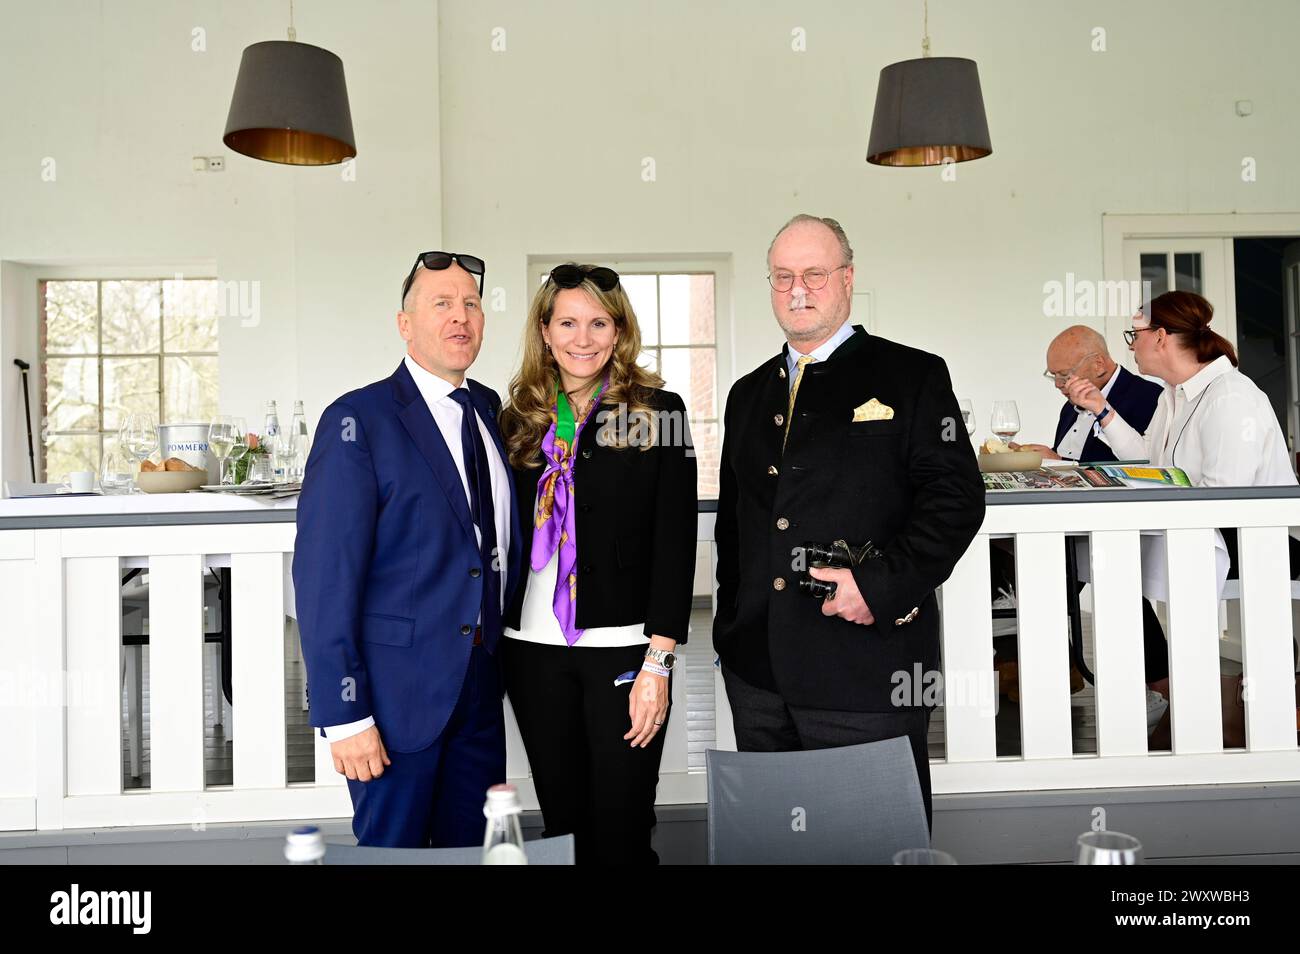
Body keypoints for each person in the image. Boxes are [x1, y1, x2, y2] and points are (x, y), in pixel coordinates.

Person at [713, 214, 985, 829]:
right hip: (759, 677)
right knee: (778, 849)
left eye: (814, 273)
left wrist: (881, 587)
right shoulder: (747, 394)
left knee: (877, 843)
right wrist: (732, 630)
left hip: (868, 670)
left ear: (848, 277)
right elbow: (735, 524)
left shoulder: (913, 375)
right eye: (782, 276)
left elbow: (956, 499)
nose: (797, 290)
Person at [293, 250, 520, 847]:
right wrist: (345, 716)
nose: (460, 317)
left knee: (472, 853)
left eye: (470, 304)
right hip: (395, 704)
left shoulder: (488, 409)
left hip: (478, 689)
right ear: (405, 324)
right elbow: (324, 579)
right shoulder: (357, 420)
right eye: (441, 303)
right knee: (394, 857)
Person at [498, 263, 697, 865]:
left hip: (624, 647)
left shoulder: (659, 412)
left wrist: (658, 663)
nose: (582, 339)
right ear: (545, 329)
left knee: (624, 821)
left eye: (598, 323)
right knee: (561, 819)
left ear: (619, 331)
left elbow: (676, 541)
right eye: (567, 322)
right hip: (530, 647)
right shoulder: (518, 418)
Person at [1067, 290, 1299, 744]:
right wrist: (1101, 409)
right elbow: (1150, 462)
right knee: (1104, 556)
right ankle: (1165, 689)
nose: (1130, 345)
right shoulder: (1174, 396)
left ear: (1162, 337)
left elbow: (1224, 496)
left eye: (1134, 335)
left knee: (1113, 555)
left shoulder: (1230, 397)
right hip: (1202, 523)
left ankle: (1183, 695)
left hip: (1251, 535)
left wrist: (1154, 491)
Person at [1013, 324, 1161, 463]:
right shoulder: (1069, 407)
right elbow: (1071, 456)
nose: (1058, 384)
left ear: (1098, 364)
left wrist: (1058, 464)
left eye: (1064, 375)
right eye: (1053, 375)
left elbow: (1140, 469)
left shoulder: (1150, 398)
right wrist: (1036, 457)